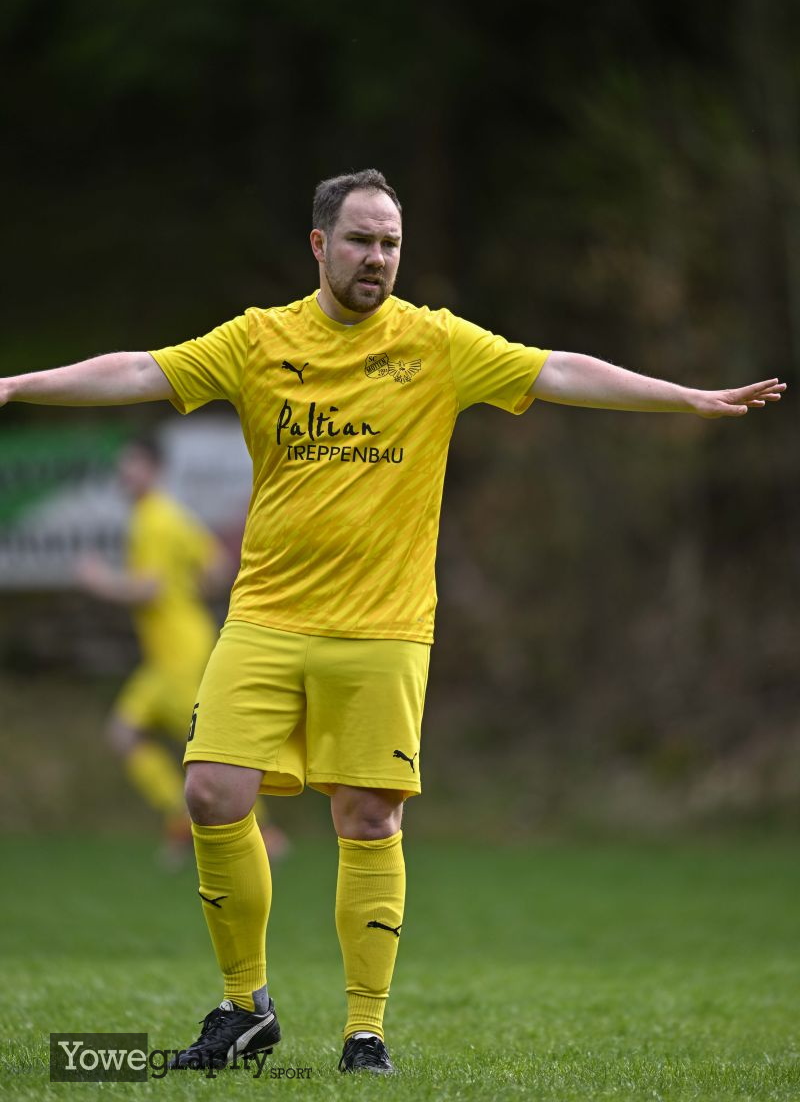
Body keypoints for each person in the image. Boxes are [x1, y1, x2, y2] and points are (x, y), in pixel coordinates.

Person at [0, 169, 785, 1075]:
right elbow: (142, 370)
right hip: (267, 615)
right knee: (211, 792)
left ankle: (364, 1032)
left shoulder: (436, 343)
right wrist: (17, 385)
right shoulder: (258, 340)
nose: (378, 258)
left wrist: (686, 397)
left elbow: (558, 369)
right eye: (361, 240)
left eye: (391, 243)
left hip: (384, 627)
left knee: (369, 818)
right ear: (319, 245)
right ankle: (244, 1007)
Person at [74, 435, 229, 866]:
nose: (125, 473)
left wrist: (99, 581)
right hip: (170, 653)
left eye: (134, 464)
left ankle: (264, 831)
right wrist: (193, 591)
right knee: (123, 734)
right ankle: (180, 816)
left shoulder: (155, 521)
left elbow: (149, 588)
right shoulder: (168, 515)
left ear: (155, 470)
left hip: (179, 652)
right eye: (123, 465)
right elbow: (218, 565)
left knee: (205, 748)